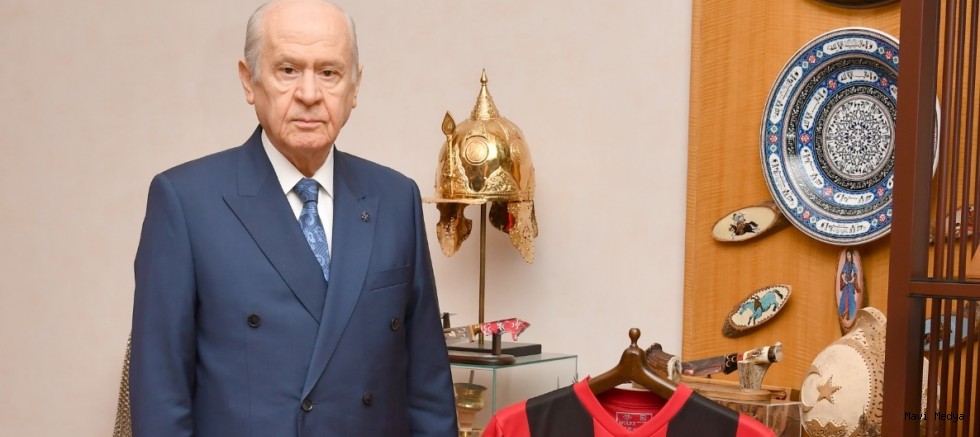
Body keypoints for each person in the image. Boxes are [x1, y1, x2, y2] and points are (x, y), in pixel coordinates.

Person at [128, 1, 459, 435]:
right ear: (248, 80)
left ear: (355, 87)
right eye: (288, 70)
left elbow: (429, 392)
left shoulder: (396, 198)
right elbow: (160, 400)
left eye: (329, 72)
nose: (309, 93)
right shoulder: (186, 202)